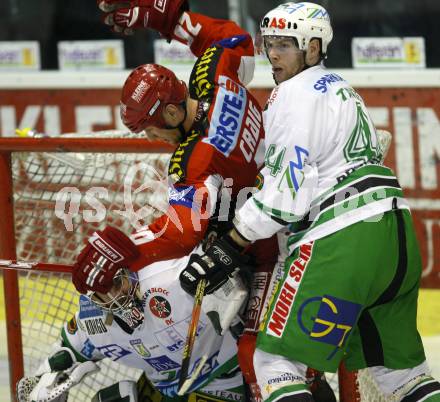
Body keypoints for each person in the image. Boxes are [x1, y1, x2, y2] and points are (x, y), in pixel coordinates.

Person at [179, 2, 440, 401]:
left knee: (274, 364)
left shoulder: (292, 95)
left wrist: (229, 245)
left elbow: (285, 198)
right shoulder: (342, 89)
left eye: (286, 44)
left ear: (314, 49)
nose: (273, 54)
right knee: (401, 375)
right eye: (270, 43)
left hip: (345, 239)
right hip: (395, 235)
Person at [17, 252, 246, 402]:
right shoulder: (92, 319)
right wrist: (44, 380)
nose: (115, 296)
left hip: (219, 383)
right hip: (164, 388)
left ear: (128, 271)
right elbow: (68, 350)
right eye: (102, 293)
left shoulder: (170, 281)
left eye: (117, 283)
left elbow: (230, 278)